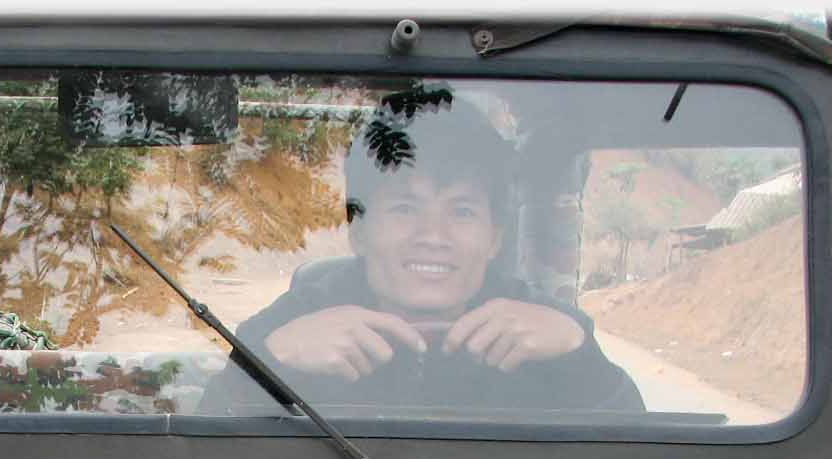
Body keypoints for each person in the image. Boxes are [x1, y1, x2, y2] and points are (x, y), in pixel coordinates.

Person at [199, 91, 644, 416]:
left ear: (495, 239)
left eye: (462, 210)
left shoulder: (550, 331)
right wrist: (271, 363)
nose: (433, 235)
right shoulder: (292, 320)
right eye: (405, 207)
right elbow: (199, 457)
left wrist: (580, 357)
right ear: (360, 231)